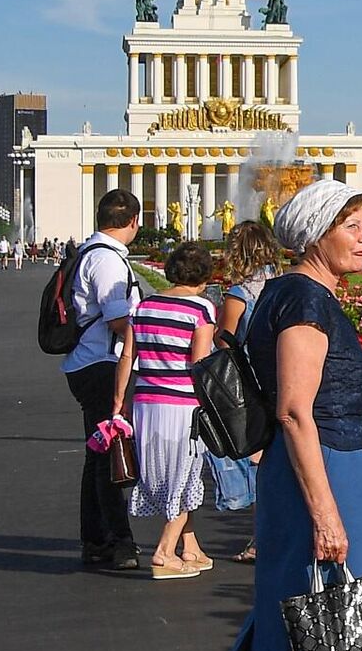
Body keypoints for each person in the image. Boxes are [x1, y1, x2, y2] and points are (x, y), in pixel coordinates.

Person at [226, 180, 362, 651]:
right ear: (317, 232)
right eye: (352, 223)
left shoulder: (298, 294)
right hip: (318, 477)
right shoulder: (303, 299)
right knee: (303, 618)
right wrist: (326, 512)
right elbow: (295, 409)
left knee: (310, 615)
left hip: (328, 470)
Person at [120, 241, 216, 580]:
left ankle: (190, 546)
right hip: (183, 404)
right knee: (186, 473)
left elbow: (128, 358)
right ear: (205, 276)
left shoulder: (144, 307)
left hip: (146, 401)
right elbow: (200, 365)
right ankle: (164, 551)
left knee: (163, 472)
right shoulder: (201, 310)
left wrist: (120, 402)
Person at [63, 190, 144, 570]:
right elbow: (118, 321)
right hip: (103, 363)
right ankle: (118, 540)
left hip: (88, 362)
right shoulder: (109, 262)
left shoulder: (90, 254)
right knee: (108, 454)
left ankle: (96, 537)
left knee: (97, 454)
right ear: (132, 221)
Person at [215, 220, 285, 561]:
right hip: (283, 377)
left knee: (260, 463)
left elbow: (224, 340)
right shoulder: (282, 286)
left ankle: (260, 540)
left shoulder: (238, 294)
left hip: (253, 383)